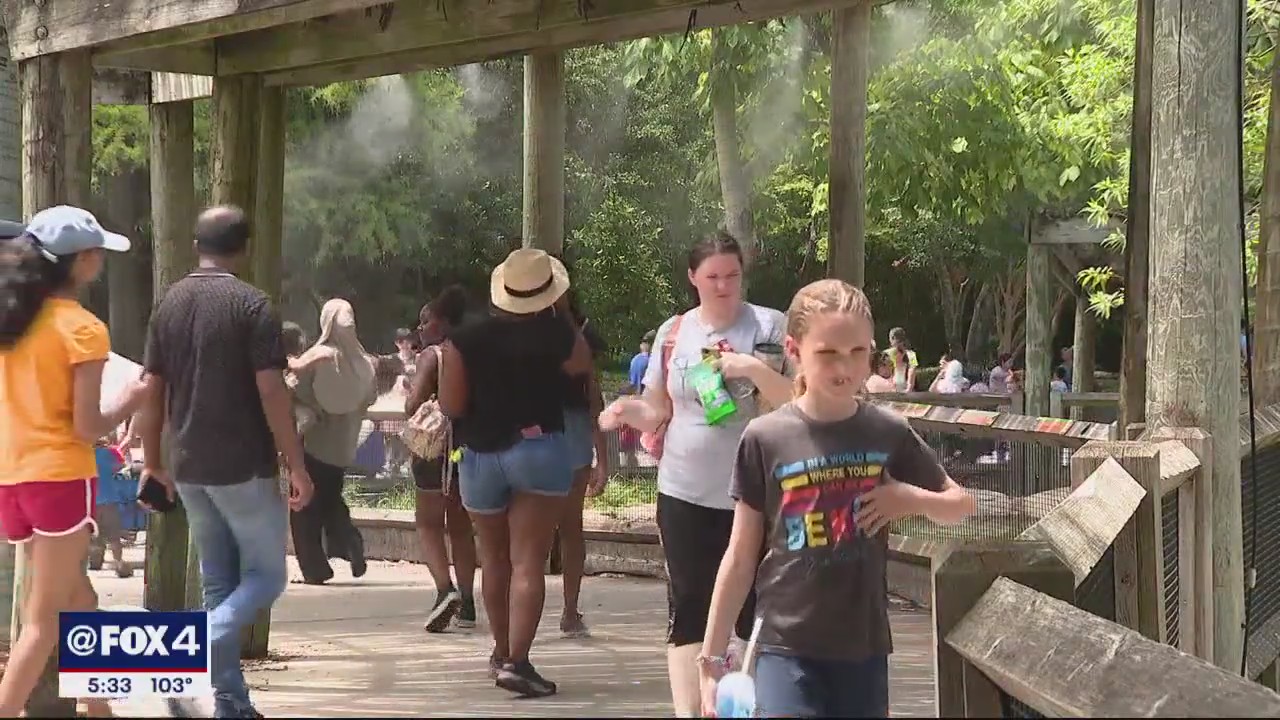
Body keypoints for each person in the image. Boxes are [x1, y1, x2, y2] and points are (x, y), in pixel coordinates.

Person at [697, 279, 977, 718]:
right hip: (784, 644)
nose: (844, 367)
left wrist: (908, 499)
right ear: (794, 350)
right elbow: (740, 555)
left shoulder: (887, 430)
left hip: (862, 648)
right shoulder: (765, 437)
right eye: (827, 353)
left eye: (858, 352)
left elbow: (961, 505)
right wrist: (711, 660)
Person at [598, 231, 793, 718]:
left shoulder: (770, 326)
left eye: (732, 276)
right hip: (684, 490)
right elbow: (657, 409)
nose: (723, 286)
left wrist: (751, 368)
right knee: (688, 604)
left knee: (754, 606)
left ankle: (746, 706)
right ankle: (689, 711)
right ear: (693, 278)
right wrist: (625, 410)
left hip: (757, 495)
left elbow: (798, 401)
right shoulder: (675, 332)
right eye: (712, 277)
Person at [137, 204, 314, 719]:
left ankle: (231, 703)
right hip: (243, 466)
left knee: (219, 584)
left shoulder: (168, 304)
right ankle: (191, 654)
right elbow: (272, 390)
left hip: (189, 465)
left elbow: (152, 390)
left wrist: (153, 462)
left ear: (197, 246)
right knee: (267, 577)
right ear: (245, 248)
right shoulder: (253, 305)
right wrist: (296, 464)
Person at [0, 207, 148, 717]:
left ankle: (100, 708)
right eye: (98, 252)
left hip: (12, 478)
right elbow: (88, 427)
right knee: (41, 623)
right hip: (60, 478)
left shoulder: (12, 320)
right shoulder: (83, 328)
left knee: (80, 600)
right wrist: (136, 395)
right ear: (83, 260)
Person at [438, 248, 592, 697]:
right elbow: (581, 365)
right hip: (538, 446)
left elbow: (451, 405)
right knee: (528, 560)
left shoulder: (464, 339)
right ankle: (518, 663)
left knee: (494, 558)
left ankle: (500, 651)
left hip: (479, 454)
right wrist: (561, 312)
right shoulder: (558, 335)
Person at [288, 299, 378, 584]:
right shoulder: (365, 364)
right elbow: (371, 398)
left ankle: (315, 569)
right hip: (345, 446)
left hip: (315, 443)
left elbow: (295, 390)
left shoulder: (317, 357)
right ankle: (349, 541)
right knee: (329, 498)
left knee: (303, 509)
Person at [406, 285, 479, 632]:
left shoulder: (433, 356)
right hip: (468, 446)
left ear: (442, 322)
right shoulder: (474, 351)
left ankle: (443, 589)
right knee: (461, 526)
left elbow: (413, 404)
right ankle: (468, 602)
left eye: (425, 321)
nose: (420, 328)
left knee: (428, 522)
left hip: (435, 448)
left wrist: (411, 397)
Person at [555, 287, 609, 639]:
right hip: (566, 431)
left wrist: (602, 458)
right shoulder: (580, 334)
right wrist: (602, 458)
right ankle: (569, 612)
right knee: (567, 528)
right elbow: (593, 397)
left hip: (552, 432)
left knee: (562, 528)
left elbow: (593, 397)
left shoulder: (521, 332)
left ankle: (568, 610)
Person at [887, 327, 917, 391]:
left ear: (892, 338)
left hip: (894, 386)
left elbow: (912, 370)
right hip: (902, 386)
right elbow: (912, 370)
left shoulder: (888, 353)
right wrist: (909, 387)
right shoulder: (912, 354)